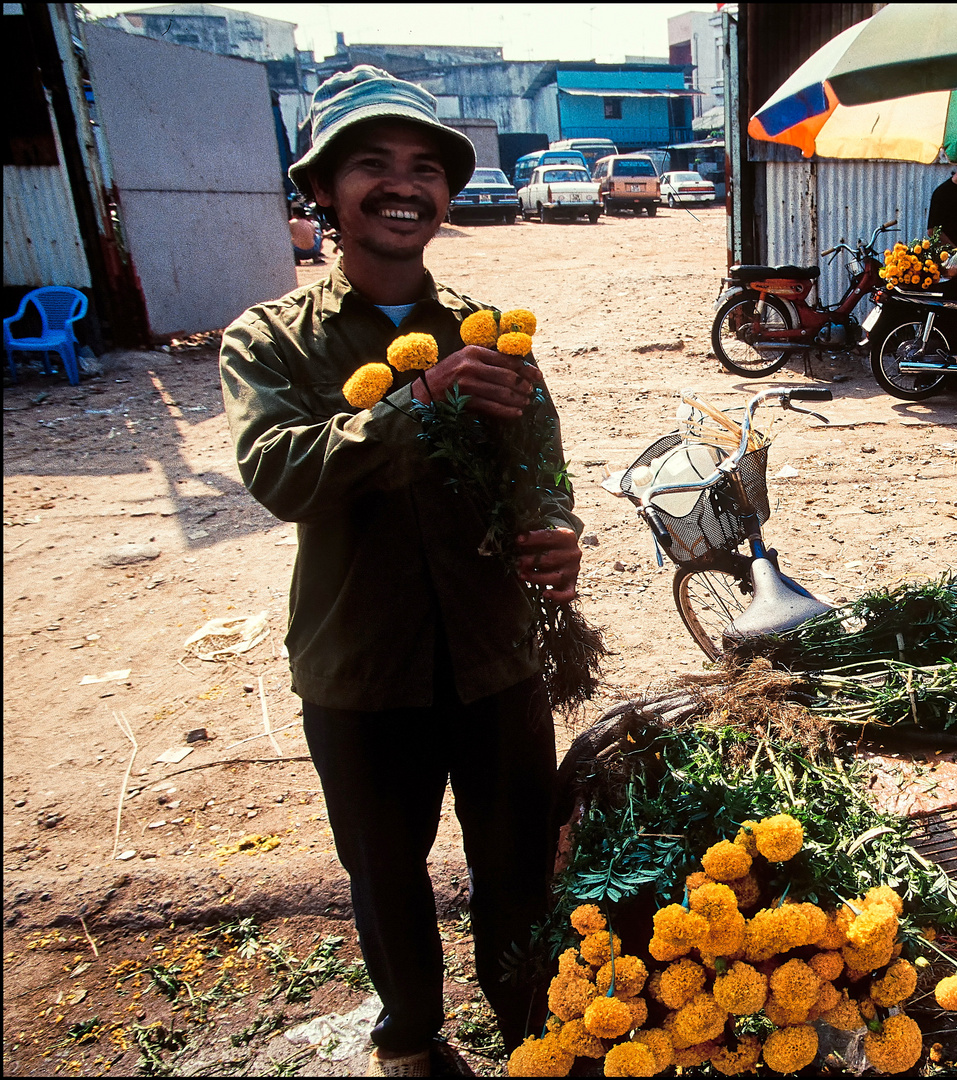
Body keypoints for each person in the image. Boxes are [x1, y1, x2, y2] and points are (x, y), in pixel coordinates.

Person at [220, 65, 583, 1078]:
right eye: (371, 165)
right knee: (385, 871)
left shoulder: (493, 331)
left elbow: (540, 465)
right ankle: (412, 1038)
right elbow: (279, 473)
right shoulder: (271, 339)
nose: (402, 184)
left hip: (496, 655)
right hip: (361, 665)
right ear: (324, 193)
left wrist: (556, 529)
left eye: (425, 168)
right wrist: (418, 402)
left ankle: (532, 1035)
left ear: (446, 196)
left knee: (516, 865)